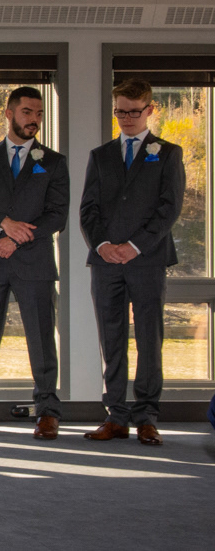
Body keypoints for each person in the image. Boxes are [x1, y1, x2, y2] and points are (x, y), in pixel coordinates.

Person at [0, 87, 70, 440]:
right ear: (9, 114)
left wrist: (17, 237)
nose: (33, 119)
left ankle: (48, 411)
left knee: (41, 340)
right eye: (26, 112)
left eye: (38, 113)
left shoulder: (53, 162)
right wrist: (4, 225)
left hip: (33, 262)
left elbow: (57, 215)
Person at [80, 78, 185, 446]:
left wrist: (135, 246)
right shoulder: (101, 155)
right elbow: (88, 210)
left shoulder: (168, 153)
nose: (126, 118)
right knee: (112, 340)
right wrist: (104, 244)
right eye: (120, 111)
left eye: (133, 112)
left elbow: (169, 208)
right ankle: (116, 416)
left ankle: (146, 417)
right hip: (107, 262)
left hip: (148, 261)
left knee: (149, 339)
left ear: (150, 110)